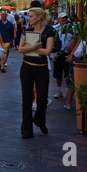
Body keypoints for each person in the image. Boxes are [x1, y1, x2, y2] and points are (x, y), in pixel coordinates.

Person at [18, 7, 55, 139]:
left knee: (42, 99)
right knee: (26, 100)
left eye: (32, 16)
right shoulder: (27, 31)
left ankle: (40, 120)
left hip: (42, 69)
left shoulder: (50, 31)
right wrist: (33, 47)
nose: (29, 18)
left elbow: (47, 51)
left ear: (39, 17)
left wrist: (29, 48)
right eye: (29, 16)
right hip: (26, 68)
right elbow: (20, 49)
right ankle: (26, 130)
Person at [52, 13, 74, 100]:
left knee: (68, 74)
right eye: (62, 18)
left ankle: (68, 91)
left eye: (66, 18)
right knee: (58, 74)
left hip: (68, 54)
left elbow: (75, 39)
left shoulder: (71, 28)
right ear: (58, 18)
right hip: (58, 53)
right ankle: (59, 90)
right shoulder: (54, 28)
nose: (64, 19)